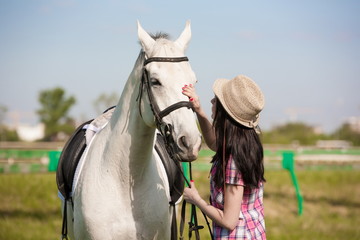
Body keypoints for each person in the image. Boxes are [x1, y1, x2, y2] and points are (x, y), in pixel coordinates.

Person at [181, 75, 266, 240]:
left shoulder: (233, 161)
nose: (211, 102)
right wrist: (198, 109)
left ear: (224, 112)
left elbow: (229, 221)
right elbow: (213, 143)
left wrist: (196, 199)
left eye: (215, 100)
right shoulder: (245, 146)